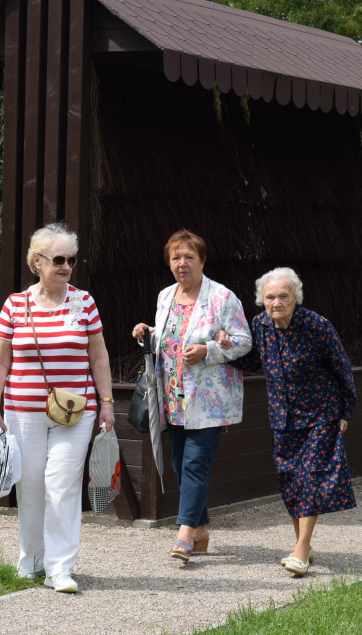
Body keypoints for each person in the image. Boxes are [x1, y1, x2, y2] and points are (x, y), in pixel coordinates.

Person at [0, 223, 115, 594]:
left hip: (75, 412)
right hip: (23, 411)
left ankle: (60, 568)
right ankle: (31, 560)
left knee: (62, 486)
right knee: (30, 487)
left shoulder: (83, 302)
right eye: (58, 259)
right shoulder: (15, 305)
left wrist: (106, 404)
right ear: (37, 262)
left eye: (70, 260)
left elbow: (98, 355)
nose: (66, 266)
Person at [218, 267, 356, 577]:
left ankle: (301, 550)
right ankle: (301, 547)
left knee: (309, 479)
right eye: (270, 297)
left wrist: (346, 412)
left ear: (296, 297)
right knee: (291, 482)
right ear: (261, 301)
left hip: (320, 415)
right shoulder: (261, 325)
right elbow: (254, 361)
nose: (276, 302)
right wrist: (225, 347)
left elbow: (342, 368)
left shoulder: (317, 326)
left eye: (283, 296)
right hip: (282, 417)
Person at [131, 229, 251, 563]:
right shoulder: (165, 296)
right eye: (176, 258)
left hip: (208, 400)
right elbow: (169, 340)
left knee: (196, 463)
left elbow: (243, 340)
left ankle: (184, 533)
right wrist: (147, 333)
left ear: (202, 260)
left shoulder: (222, 298)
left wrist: (208, 350)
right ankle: (201, 532)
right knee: (179, 464)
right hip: (172, 397)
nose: (182, 264)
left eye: (189, 257)